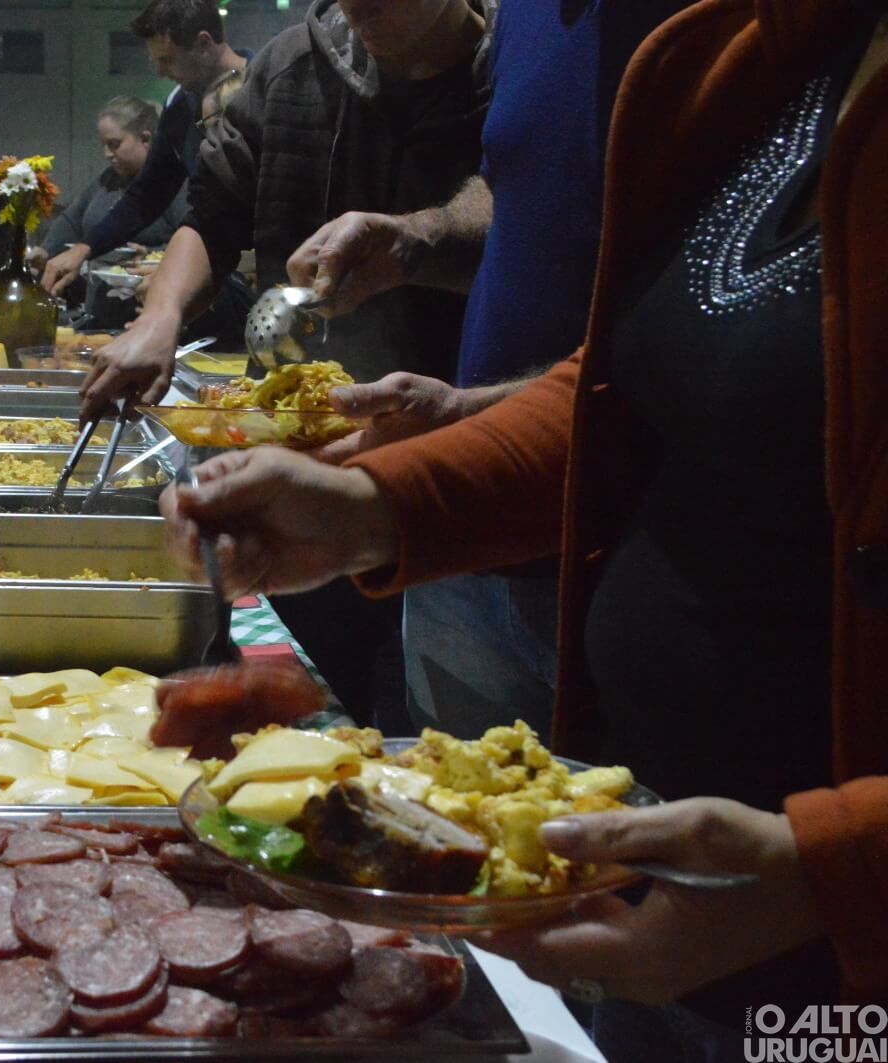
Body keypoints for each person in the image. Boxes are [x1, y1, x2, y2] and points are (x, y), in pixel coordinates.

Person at [159, 1, 888, 1053]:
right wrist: (378, 504)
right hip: (675, 898)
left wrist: (836, 871)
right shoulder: (778, 47)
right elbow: (638, 391)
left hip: (837, 964)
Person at [280, 0, 689, 739]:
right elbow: (516, 185)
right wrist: (417, 240)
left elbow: (699, 352)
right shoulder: (529, 12)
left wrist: (477, 422)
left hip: (620, 555)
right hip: (468, 534)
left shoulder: (730, 25)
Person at [86, 0, 490, 726]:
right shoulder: (289, 66)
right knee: (329, 687)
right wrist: (159, 318)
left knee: (437, 717)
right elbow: (211, 215)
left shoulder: (508, 64)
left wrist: (413, 242)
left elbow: (522, 214)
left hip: (469, 454)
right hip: (298, 450)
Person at [41, 0, 248, 295]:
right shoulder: (179, 106)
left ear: (203, 43)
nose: (161, 73)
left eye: (167, 60)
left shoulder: (265, 89)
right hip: (216, 274)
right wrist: (86, 248)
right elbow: (146, 195)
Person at [44, 96, 186, 258]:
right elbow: (71, 221)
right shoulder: (107, 179)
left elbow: (194, 242)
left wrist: (152, 254)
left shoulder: (172, 183)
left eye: (114, 144)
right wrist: (45, 251)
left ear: (145, 139)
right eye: (104, 145)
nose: (107, 154)